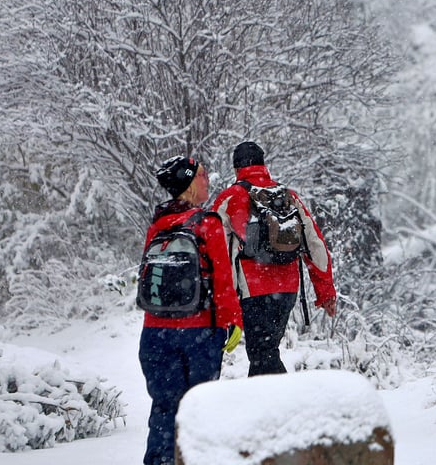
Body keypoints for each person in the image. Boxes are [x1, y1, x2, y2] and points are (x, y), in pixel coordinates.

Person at [138, 155, 243, 465]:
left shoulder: (157, 225)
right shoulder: (208, 223)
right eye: (201, 175)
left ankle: (160, 461)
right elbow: (223, 279)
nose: (207, 180)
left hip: (155, 334)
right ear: (188, 184)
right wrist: (233, 321)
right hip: (199, 333)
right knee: (200, 408)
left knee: (164, 407)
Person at [212, 141, 337, 376]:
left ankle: (290, 398)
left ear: (236, 168)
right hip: (287, 289)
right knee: (265, 353)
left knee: (263, 355)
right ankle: (271, 397)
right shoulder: (288, 196)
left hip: (253, 290)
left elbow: (213, 249)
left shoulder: (231, 198)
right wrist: (325, 290)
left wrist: (220, 297)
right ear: (263, 164)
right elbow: (315, 243)